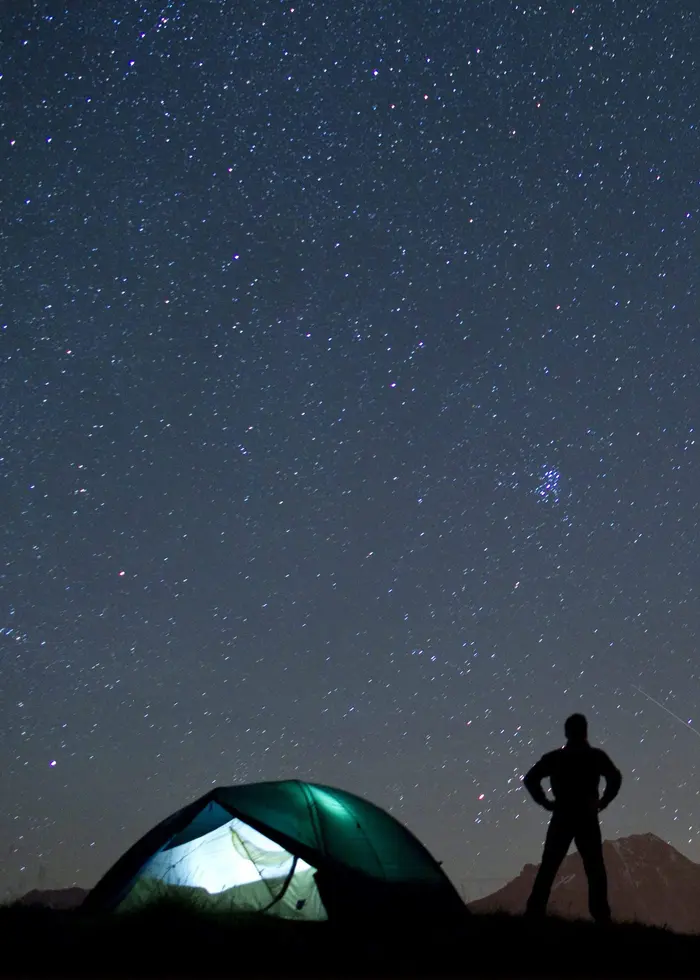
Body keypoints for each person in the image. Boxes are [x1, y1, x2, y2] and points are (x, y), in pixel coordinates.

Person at [522, 713, 622, 923]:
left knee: (549, 865)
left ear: (567, 732)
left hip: (563, 814)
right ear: (585, 731)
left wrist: (545, 802)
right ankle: (601, 916)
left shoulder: (556, 758)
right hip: (586, 816)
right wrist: (603, 802)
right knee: (594, 867)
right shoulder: (595, 756)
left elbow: (530, 778)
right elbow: (615, 778)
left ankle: (534, 911)